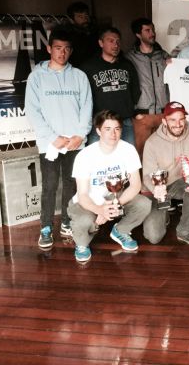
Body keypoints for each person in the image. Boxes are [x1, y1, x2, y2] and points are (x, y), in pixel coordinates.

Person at [25, 26, 93, 249]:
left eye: (66, 48)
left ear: (70, 51)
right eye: (57, 48)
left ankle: (66, 221)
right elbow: (33, 111)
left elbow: (87, 107)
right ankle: (46, 227)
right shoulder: (36, 77)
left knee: (71, 184)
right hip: (50, 144)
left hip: (75, 142)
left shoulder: (79, 76)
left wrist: (80, 135)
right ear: (49, 49)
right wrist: (52, 137)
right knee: (50, 185)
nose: (62, 53)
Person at [67, 110, 152, 263]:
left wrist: (113, 207)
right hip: (89, 200)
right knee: (84, 221)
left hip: (115, 196)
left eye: (117, 129)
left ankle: (121, 230)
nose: (113, 134)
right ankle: (81, 244)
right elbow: (83, 195)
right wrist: (99, 210)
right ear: (99, 131)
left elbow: (135, 185)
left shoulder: (128, 149)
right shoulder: (85, 156)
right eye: (108, 129)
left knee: (144, 204)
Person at [141, 102, 189, 246]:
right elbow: (147, 175)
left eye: (181, 119)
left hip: (180, 183)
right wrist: (155, 189)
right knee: (153, 236)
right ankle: (164, 213)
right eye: (173, 120)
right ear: (164, 121)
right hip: (157, 190)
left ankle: (184, 231)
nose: (178, 124)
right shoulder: (151, 142)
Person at [81, 27, 140, 146]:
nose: (115, 45)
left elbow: (135, 90)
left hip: (125, 121)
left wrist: (129, 108)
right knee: (98, 156)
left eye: (118, 41)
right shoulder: (88, 67)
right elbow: (83, 96)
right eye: (111, 41)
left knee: (128, 155)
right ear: (101, 43)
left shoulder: (127, 65)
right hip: (100, 122)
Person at [126, 17, 170, 157]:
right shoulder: (129, 58)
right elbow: (125, 87)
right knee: (142, 154)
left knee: (164, 154)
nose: (152, 33)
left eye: (153, 30)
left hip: (163, 113)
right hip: (142, 115)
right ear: (138, 34)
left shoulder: (164, 56)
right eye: (147, 30)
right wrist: (134, 112)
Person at [66, 1, 100, 68]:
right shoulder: (68, 36)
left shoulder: (96, 32)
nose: (85, 19)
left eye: (86, 15)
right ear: (71, 20)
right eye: (80, 16)